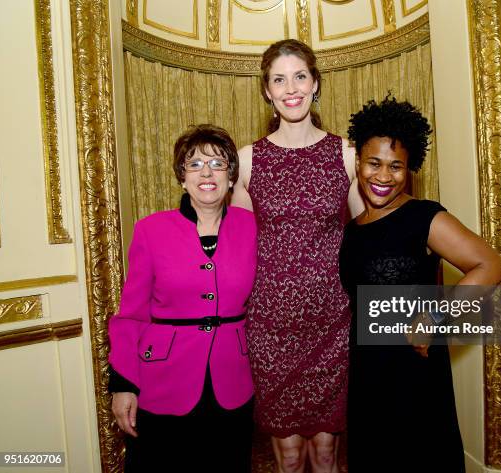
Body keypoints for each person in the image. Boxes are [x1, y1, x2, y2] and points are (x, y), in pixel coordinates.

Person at [339, 95, 501, 472]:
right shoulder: (352, 230)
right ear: (358, 163)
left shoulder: (424, 217)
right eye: (374, 163)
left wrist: (436, 316)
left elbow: (491, 265)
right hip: (368, 373)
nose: (384, 177)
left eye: (396, 166)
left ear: (410, 167)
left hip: (414, 375)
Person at [231, 39, 361, 473]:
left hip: (332, 323)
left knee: (326, 455)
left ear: (316, 83)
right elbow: (237, 246)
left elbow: (369, 239)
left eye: (300, 76)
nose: (291, 88)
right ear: (266, 91)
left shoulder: (345, 155)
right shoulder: (247, 161)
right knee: (286, 457)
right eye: (279, 79)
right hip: (270, 326)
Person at [108, 124, 257, 472]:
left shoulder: (253, 227)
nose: (207, 172)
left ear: (231, 177)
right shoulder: (150, 230)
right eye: (195, 164)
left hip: (233, 380)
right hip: (163, 381)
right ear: (181, 177)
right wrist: (124, 384)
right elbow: (130, 315)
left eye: (218, 164)